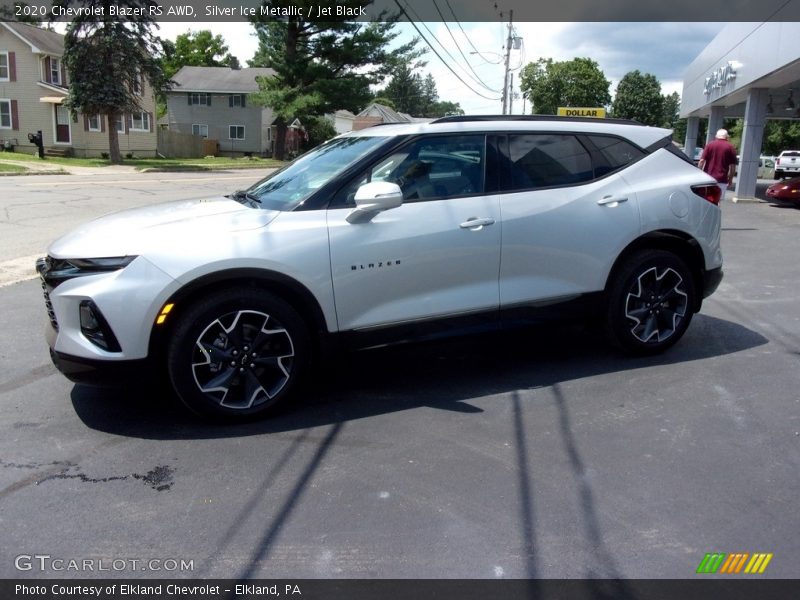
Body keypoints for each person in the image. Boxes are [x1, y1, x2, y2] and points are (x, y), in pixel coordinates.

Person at [698, 129, 738, 198]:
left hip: (708, 178)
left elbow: (702, 161)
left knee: (706, 199)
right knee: (718, 201)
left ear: (716, 136)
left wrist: (699, 174)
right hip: (722, 179)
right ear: (726, 137)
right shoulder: (730, 147)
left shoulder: (710, 145)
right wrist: (730, 179)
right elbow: (733, 166)